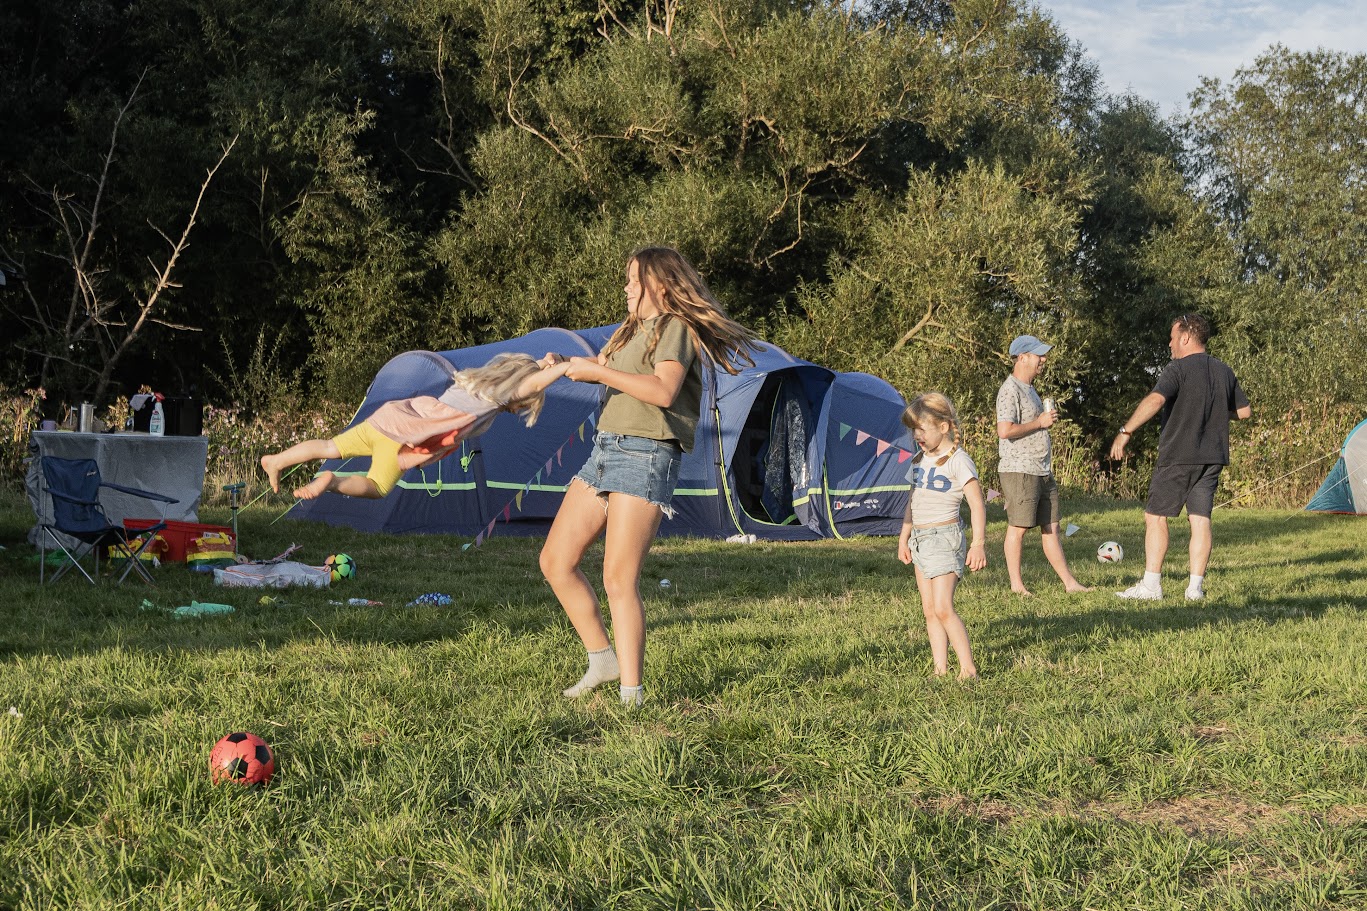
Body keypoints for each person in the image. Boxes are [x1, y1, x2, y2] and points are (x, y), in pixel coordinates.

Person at [540, 246, 760, 707]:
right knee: (555, 561)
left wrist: (598, 370)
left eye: (632, 280)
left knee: (619, 578)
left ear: (658, 285)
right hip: (604, 450)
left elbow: (663, 390)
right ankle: (602, 659)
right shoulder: (629, 332)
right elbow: (609, 376)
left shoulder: (675, 328)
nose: (625, 287)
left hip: (646, 454)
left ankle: (631, 695)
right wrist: (562, 363)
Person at [260, 352, 569, 500]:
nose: (519, 408)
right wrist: (567, 368)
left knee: (330, 446)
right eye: (524, 404)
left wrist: (546, 361)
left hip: (390, 418)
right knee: (378, 487)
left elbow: (526, 371)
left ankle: (277, 460)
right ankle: (332, 481)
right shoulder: (498, 396)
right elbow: (531, 382)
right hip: (406, 440)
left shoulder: (477, 383)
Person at [1109, 313, 1251, 601]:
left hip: (1178, 454)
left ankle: (1151, 586)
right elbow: (1245, 412)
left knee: (1155, 517)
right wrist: (1212, 412)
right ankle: (1194, 589)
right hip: (1213, 456)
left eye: (1173, 337)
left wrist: (1126, 431)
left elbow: (1156, 399)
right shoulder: (1224, 370)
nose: (1170, 343)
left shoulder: (1177, 369)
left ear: (1186, 337)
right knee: (1200, 520)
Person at [897, 392, 987, 679]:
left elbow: (977, 503)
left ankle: (968, 669)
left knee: (944, 607)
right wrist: (904, 537)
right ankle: (940, 669)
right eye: (913, 430)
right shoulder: (918, 460)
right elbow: (913, 501)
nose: (916, 436)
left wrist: (978, 544)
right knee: (929, 611)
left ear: (944, 426)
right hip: (920, 540)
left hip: (945, 538)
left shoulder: (958, 461)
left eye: (921, 429)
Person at [995, 334, 1092, 596]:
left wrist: (1043, 421)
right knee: (1019, 527)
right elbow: (1004, 430)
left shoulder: (1031, 389)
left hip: (1041, 469)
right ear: (1023, 357)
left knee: (1052, 527)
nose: (1044, 359)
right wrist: (1039, 423)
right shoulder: (1010, 390)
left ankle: (1070, 584)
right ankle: (1017, 586)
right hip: (1020, 469)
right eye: (1039, 355)